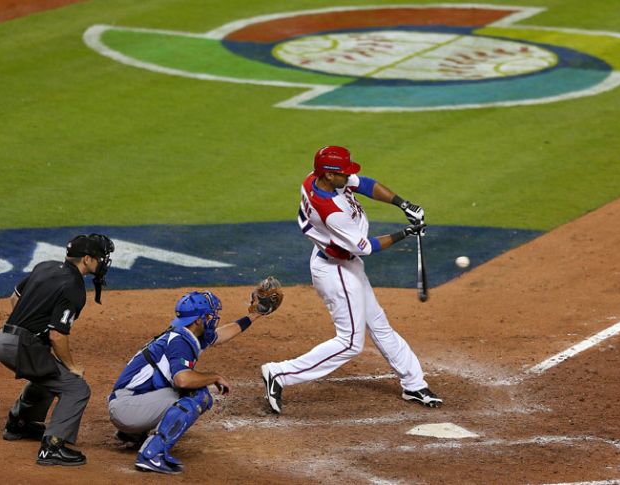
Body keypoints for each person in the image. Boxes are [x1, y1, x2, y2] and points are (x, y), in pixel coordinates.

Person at [261, 145, 443, 414]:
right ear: (329, 175)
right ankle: (279, 373)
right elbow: (365, 247)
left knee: (379, 324)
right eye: (343, 173)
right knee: (349, 342)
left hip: (344, 264)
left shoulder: (317, 177)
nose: (349, 177)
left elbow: (365, 184)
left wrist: (404, 204)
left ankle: (413, 383)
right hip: (336, 271)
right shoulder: (331, 210)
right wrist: (406, 232)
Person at [108, 290, 272, 475]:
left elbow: (221, 334)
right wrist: (215, 376)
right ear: (198, 320)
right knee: (197, 395)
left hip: (129, 403)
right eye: (209, 315)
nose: (212, 318)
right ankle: (151, 454)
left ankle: (133, 433)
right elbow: (183, 380)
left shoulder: (186, 334)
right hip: (127, 409)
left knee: (186, 390)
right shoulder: (179, 343)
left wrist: (255, 314)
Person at [0, 233, 115, 466]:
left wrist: (28, 326)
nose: (102, 263)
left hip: (3, 338)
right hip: (22, 346)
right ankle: (53, 447)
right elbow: (57, 335)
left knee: (49, 372)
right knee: (76, 387)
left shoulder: (45, 266)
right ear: (87, 259)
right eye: (99, 258)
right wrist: (72, 366)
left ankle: (20, 424)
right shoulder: (74, 287)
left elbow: (14, 298)